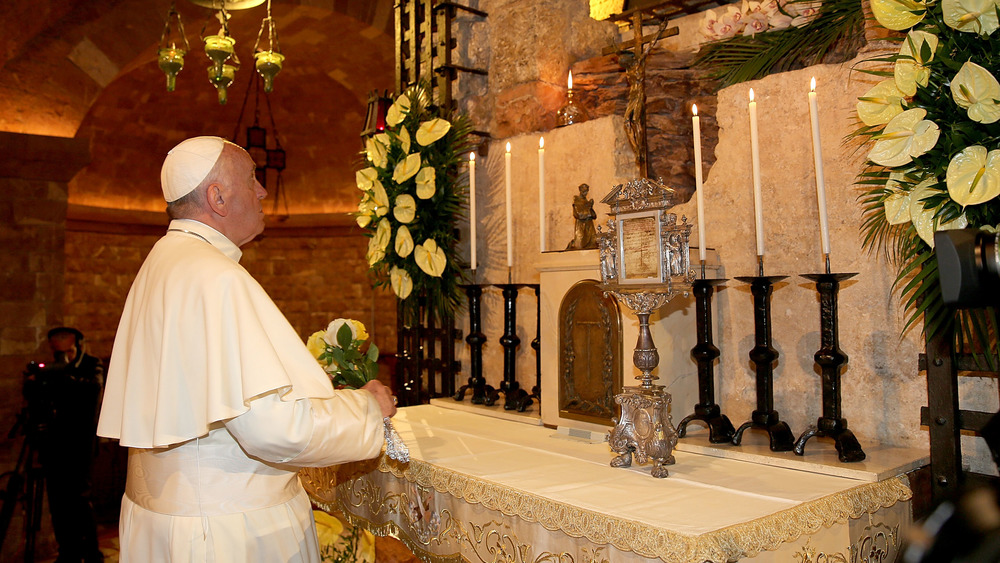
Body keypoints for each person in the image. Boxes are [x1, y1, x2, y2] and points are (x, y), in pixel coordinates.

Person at [96, 136, 396, 562]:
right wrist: (366, 407)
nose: (262, 191)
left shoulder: (162, 262)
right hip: (228, 534)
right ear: (217, 197)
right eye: (252, 179)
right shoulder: (216, 277)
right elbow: (273, 428)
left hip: (164, 523)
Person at [30, 327, 104, 563]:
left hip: (80, 443)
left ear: (77, 343)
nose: (59, 344)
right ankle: (68, 551)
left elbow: (91, 391)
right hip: (54, 444)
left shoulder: (92, 364)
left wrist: (63, 377)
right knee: (57, 500)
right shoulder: (50, 368)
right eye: (55, 340)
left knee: (80, 498)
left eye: (65, 340)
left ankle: (91, 552)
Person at [566, 183, 598, 250]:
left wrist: (590, 207)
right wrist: (589, 208)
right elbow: (578, 214)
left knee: (593, 243)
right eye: (584, 191)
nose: (585, 193)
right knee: (579, 246)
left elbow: (594, 216)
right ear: (580, 190)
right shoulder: (576, 200)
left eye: (586, 191)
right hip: (581, 226)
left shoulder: (586, 201)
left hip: (589, 226)